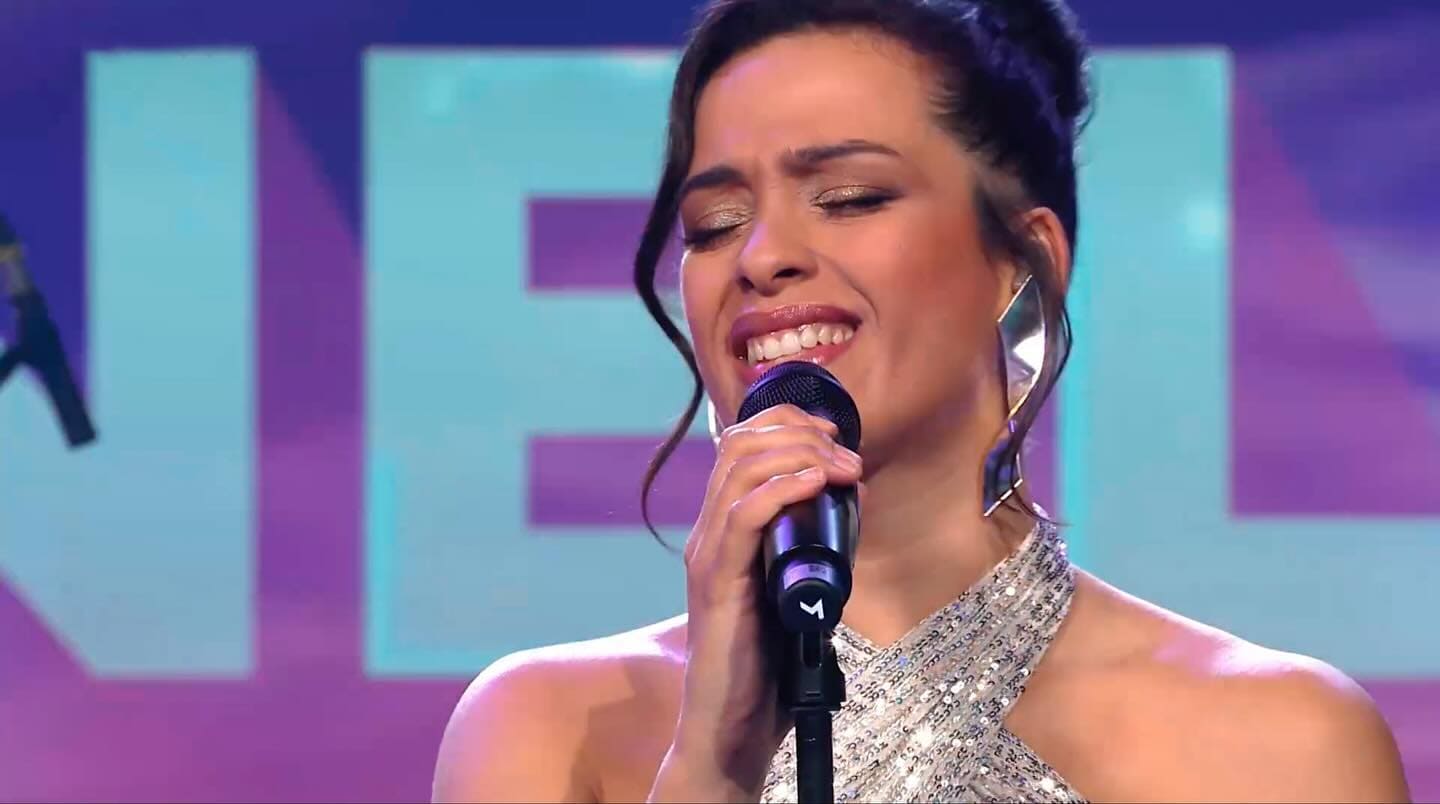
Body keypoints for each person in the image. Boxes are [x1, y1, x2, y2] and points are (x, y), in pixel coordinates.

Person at [432, 0, 1411, 801]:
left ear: (1024, 264)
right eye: (716, 222)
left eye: (850, 197)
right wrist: (714, 765)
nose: (762, 257)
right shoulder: (548, 732)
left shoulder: (1280, 744)